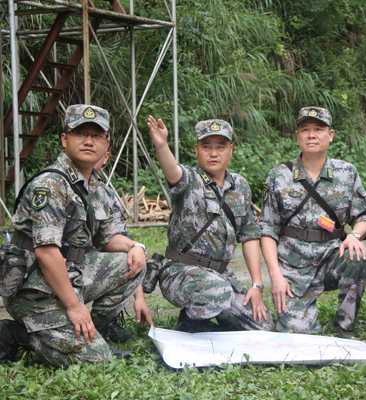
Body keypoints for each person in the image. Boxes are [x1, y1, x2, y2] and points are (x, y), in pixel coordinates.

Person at [4, 104, 148, 366]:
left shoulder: (94, 186)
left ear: (106, 144)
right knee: (98, 362)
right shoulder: (50, 184)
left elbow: (107, 238)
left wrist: (135, 245)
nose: (89, 141)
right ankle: (18, 333)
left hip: (71, 275)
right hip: (35, 287)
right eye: (80, 133)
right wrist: (74, 307)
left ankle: (98, 329)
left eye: (96, 135)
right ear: (64, 139)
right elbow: (46, 252)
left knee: (133, 261)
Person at [147, 116, 274, 333]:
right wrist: (162, 146)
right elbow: (172, 171)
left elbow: (249, 235)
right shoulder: (189, 179)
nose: (213, 153)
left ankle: (218, 315)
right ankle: (189, 324)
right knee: (217, 292)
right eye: (206, 146)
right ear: (197, 149)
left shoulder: (240, 186)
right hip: (181, 272)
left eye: (220, 147)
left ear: (231, 150)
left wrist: (256, 284)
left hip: (220, 277)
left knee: (263, 326)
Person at [260, 107, 366, 337]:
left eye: (318, 129)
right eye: (305, 129)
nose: (311, 135)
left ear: (330, 135)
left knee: (358, 257)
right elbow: (267, 229)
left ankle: (345, 325)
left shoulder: (347, 173)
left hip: (330, 258)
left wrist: (354, 235)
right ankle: (302, 318)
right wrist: (275, 275)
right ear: (297, 136)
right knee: (297, 334)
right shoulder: (278, 176)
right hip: (293, 267)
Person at [92, 149, 153, 342]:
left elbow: (123, 242)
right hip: (54, 273)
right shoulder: (56, 184)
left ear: (106, 157)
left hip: (87, 269)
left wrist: (139, 298)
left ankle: (103, 324)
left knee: (132, 253)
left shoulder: (105, 194)